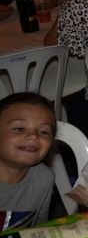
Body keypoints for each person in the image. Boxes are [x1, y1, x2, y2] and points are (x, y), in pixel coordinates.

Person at [0, 93, 56, 229]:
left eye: (43, 132)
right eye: (19, 129)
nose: (33, 136)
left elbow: (35, 234)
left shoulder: (43, 179)